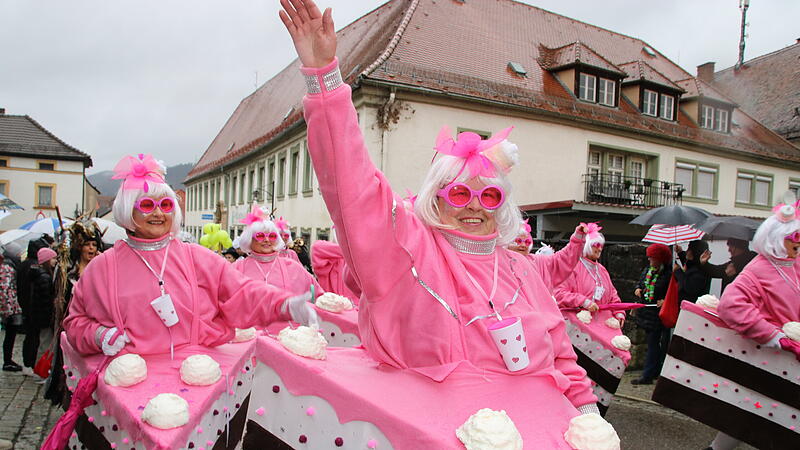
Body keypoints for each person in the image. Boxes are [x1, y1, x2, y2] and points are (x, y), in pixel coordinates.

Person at [280, 1, 599, 436]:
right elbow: (350, 187)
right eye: (459, 192)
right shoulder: (407, 249)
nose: (473, 205)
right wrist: (325, 81)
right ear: (437, 195)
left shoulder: (522, 270)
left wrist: (586, 412)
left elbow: (561, 355)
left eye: (487, 195)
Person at [64, 154, 317, 357]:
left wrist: (283, 305)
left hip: (197, 374)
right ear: (128, 209)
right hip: (132, 382)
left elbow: (241, 292)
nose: (158, 214)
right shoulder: (102, 267)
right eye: (147, 205)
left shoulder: (196, 257)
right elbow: (75, 323)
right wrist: (99, 336)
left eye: (165, 205)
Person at [705, 201, 800, 450]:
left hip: (791, 359)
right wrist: (774, 336)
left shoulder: (793, 265)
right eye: (795, 244)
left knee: (750, 417)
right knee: (758, 415)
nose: (798, 249)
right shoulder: (758, 268)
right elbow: (731, 306)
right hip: (770, 357)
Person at [45, 219, 104, 404]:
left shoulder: (102, 270)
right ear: (80, 247)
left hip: (95, 327)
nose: (92, 249)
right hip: (71, 327)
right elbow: (58, 300)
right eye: (88, 245)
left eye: (95, 245)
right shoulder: (67, 273)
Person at [233, 207, 323, 303]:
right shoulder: (236, 268)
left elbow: (319, 296)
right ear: (249, 239)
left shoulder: (292, 266)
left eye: (272, 236)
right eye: (260, 235)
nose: (267, 240)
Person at [554, 224, 624, 323]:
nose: (600, 249)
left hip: (603, 322)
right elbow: (560, 294)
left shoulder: (602, 270)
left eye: (601, 246)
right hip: (578, 323)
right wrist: (583, 302)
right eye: (596, 245)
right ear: (586, 245)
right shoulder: (572, 267)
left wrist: (619, 312)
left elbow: (612, 294)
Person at [631, 243, 672, 385]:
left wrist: (665, 300)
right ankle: (653, 372)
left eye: (652, 258)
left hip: (658, 314)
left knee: (654, 344)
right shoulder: (648, 270)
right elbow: (640, 283)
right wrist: (638, 288)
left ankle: (648, 374)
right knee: (652, 343)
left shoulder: (668, 273)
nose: (649, 260)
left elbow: (672, 292)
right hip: (646, 311)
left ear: (659, 259)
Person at [21, 247, 57, 377]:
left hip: (38, 316)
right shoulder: (45, 277)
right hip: (44, 317)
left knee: (43, 343)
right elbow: (46, 300)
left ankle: (40, 369)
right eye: (53, 258)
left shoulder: (38, 275)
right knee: (45, 345)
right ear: (47, 260)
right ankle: (42, 371)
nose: (55, 261)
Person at [1, 253, 23, 372]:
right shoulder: (7, 268)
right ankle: (7, 361)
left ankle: (8, 360)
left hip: (12, 307)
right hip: (10, 308)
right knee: (10, 335)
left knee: (11, 335)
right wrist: (8, 311)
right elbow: (4, 289)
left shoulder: (9, 266)